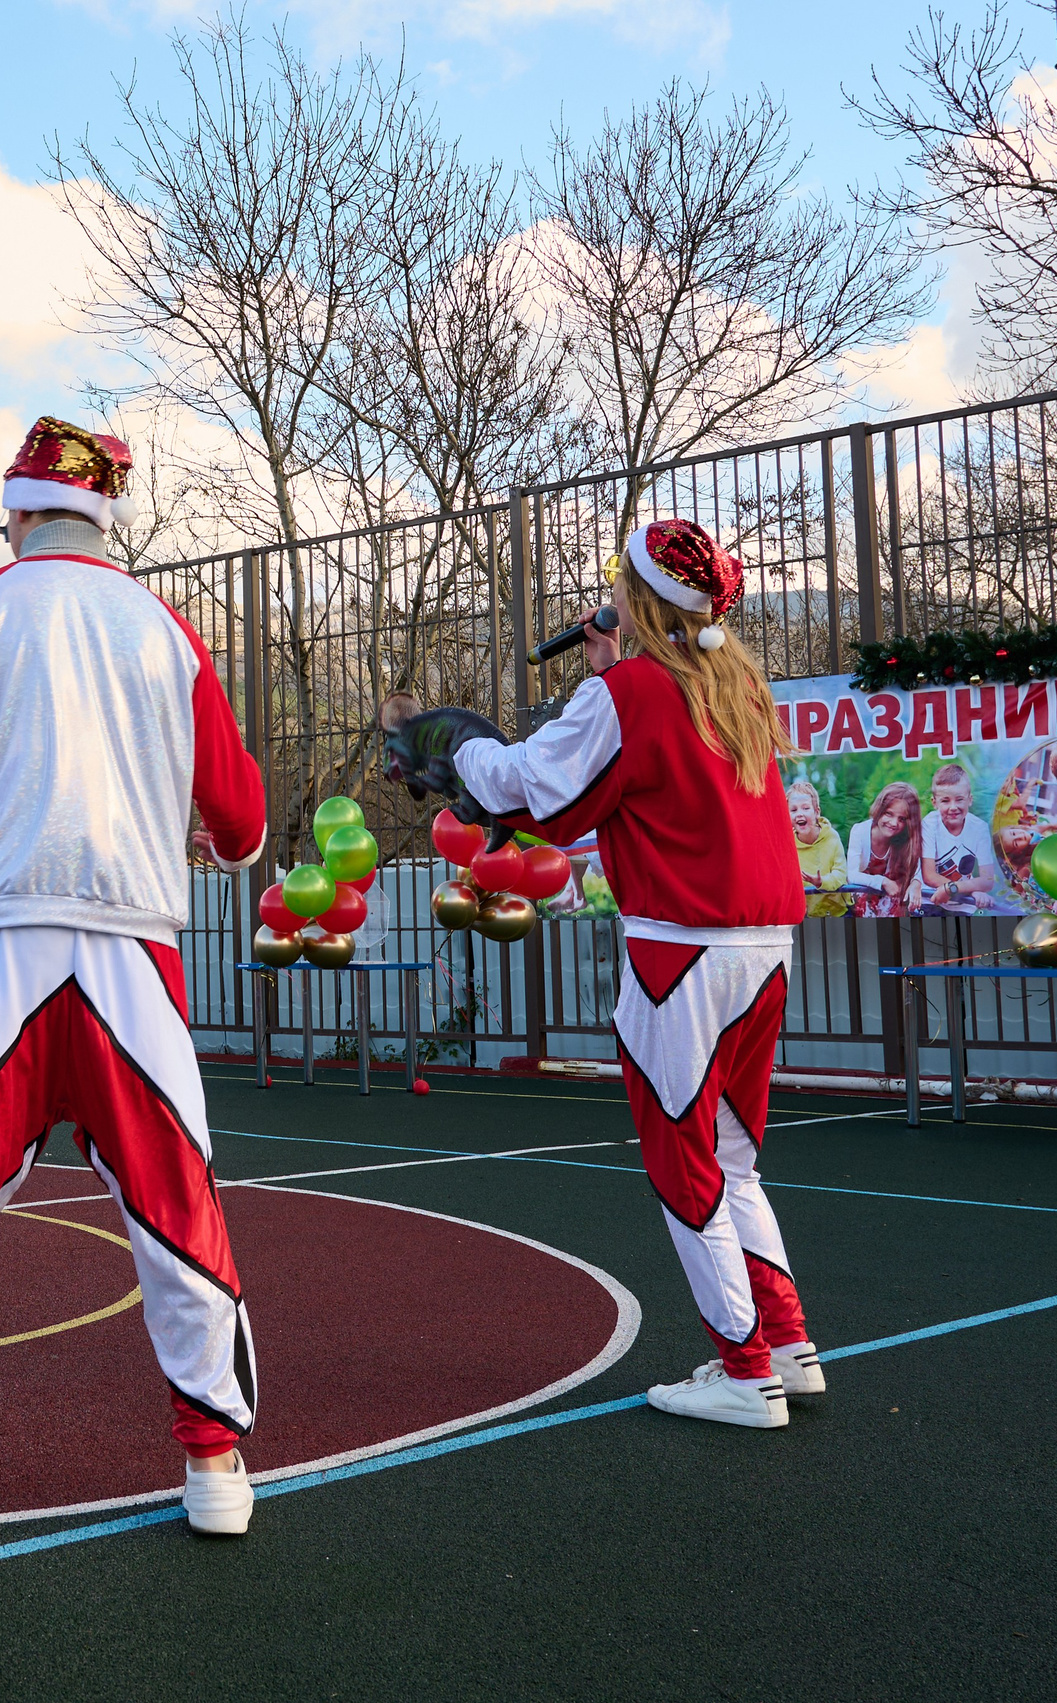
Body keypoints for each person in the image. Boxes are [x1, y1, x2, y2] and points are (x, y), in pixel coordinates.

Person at [0, 415, 269, 1541]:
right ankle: (216, 1460)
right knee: (176, 1200)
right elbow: (240, 821)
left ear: (20, 512)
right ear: (105, 516)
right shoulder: (167, 628)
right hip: (135, 943)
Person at [390, 515, 822, 1432]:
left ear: (636, 597)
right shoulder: (734, 682)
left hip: (679, 951)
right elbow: (649, 762)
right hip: (764, 945)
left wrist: (455, 744)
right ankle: (786, 1342)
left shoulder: (633, 691)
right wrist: (606, 669)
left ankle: (748, 1372)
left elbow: (518, 786)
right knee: (735, 1159)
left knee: (683, 1162)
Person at [917, 763, 997, 914]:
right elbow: (929, 875)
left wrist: (953, 889)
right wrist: (971, 890)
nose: (953, 807)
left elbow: (987, 880)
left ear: (970, 800)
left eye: (959, 799)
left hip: (963, 904)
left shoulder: (980, 828)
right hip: (930, 899)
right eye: (945, 801)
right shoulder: (929, 824)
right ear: (935, 803)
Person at [843, 781, 923, 918]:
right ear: (880, 808)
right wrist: (882, 882)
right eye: (889, 814)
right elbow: (851, 874)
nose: (893, 823)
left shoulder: (906, 840)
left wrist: (916, 883)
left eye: (902, 819)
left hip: (891, 909)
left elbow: (920, 868)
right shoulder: (860, 831)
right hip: (860, 909)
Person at [786, 781, 847, 918]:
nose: (799, 814)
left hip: (838, 913)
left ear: (817, 812)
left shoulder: (832, 836)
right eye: (794, 810)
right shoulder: (787, 842)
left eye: (805, 808)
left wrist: (821, 882)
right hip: (807, 915)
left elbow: (841, 874)